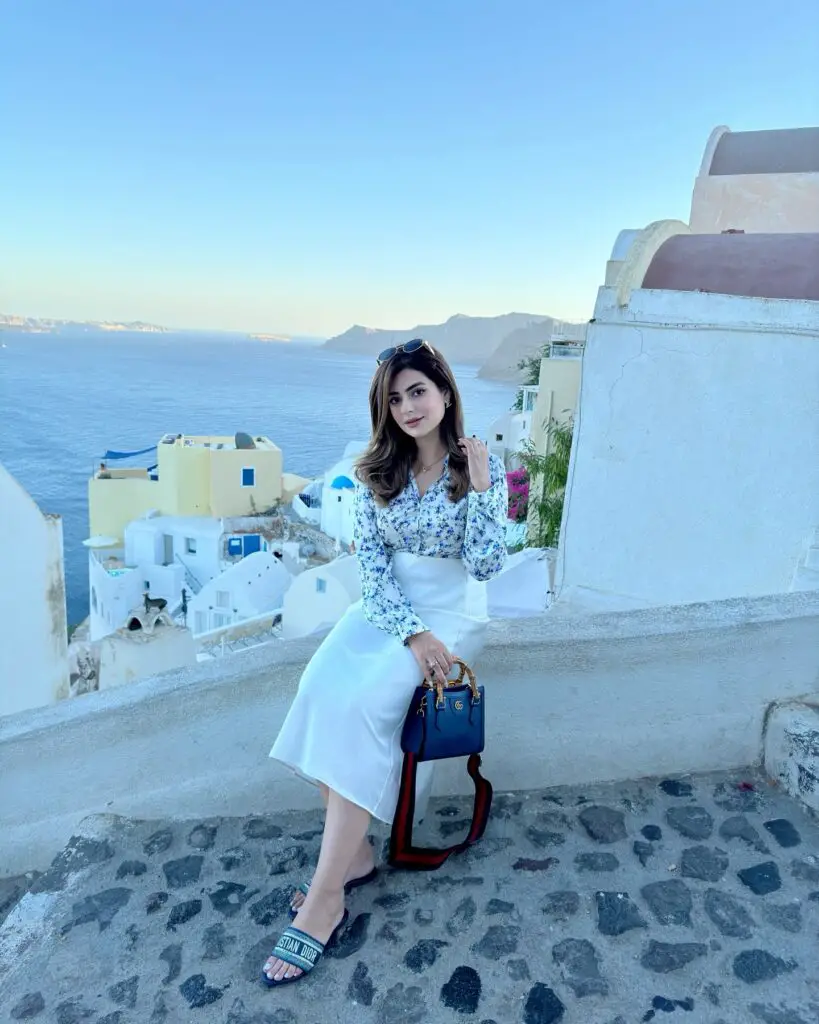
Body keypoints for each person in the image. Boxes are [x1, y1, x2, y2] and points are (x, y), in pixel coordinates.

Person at [262, 339, 509, 987]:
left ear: (445, 392)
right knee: (320, 690)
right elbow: (372, 568)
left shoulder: (479, 466)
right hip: (391, 608)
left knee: (367, 707)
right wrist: (410, 633)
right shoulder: (376, 470)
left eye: (417, 391)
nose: (407, 407)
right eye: (394, 399)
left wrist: (485, 489)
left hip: (451, 610)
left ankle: (326, 899)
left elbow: (486, 566)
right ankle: (354, 857)